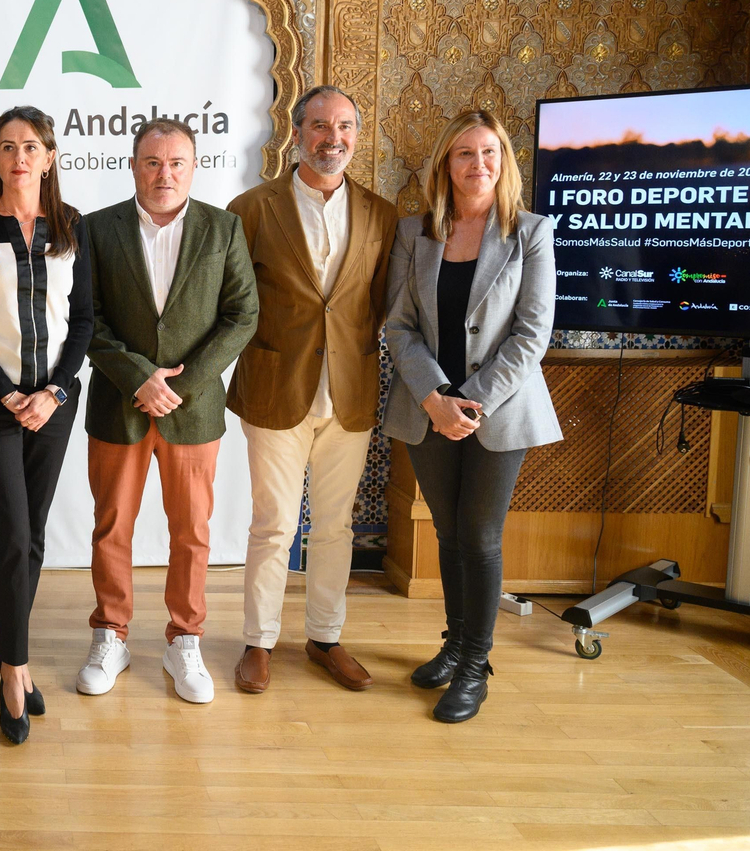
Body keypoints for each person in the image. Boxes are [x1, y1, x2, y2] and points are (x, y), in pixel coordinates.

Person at [382, 110, 559, 723]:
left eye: (490, 153)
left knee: (480, 539)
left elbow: (532, 334)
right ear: (445, 164)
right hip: (427, 409)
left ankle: (476, 665)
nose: (478, 165)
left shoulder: (531, 232)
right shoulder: (416, 232)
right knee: (450, 533)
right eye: (464, 153)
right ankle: (455, 646)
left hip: (499, 412)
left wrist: (471, 402)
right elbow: (399, 325)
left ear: (504, 160)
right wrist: (435, 397)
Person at [78, 118, 259, 704]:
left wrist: (181, 384)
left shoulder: (224, 227)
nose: (165, 174)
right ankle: (111, 634)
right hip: (119, 404)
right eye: (153, 162)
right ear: (133, 165)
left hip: (193, 408)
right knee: (111, 528)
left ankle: (186, 639)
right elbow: (87, 319)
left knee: (192, 533)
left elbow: (242, 315)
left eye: (176, 162)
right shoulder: (97, 228)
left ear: (194, 166)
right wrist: (138, 378)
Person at [227, 85, 397, 695]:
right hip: (276, 388)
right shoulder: (251, 208)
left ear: (357, 134)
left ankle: (325, 637)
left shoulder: (382, 215)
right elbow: (234, 304)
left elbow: (383, 306)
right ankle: (258, 641)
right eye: (321, 126)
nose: (334, 138)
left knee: (334, 525)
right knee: (273, 524)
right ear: (296, 133)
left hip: (349, 391)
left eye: (346, 126)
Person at [0, 106, 93, 744]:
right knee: (10, 530)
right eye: (7, 147)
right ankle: (14, 671)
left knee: (34, 537)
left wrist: (54, 393)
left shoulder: (72, 227)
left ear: (50, 156)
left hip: (55, 404)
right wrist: (9, 394)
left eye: (30, 146)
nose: (18, 158)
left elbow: (83, 319)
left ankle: (14, 653)